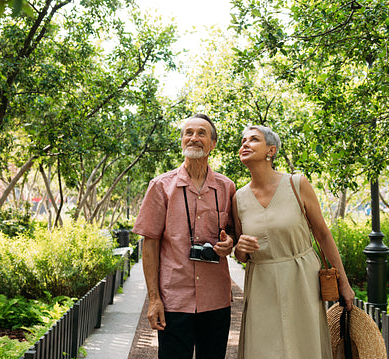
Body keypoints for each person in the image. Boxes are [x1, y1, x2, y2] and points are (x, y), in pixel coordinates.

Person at [232, 125, 355, 359]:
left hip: (302, 280)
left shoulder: (297, 184)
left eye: (253, 139)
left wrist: (344, 283)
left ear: (271, 150)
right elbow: (241, 254)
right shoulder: (238, 198)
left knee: (304, 347)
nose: (245, 144)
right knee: (262, 349)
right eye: (243, 140)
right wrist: (240, 249)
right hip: (260, 284)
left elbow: (323, 235)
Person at [132, 114, 236, 359]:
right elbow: (150, 245)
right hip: (174, 299)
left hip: (216, 299)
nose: (194, 138)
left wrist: (229, 242)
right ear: (181, 141)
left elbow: (233, 233)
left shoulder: (226, 187)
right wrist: (154, 299)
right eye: (188, 133)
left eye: (202, 133)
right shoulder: (161, 186)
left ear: (213, 144)